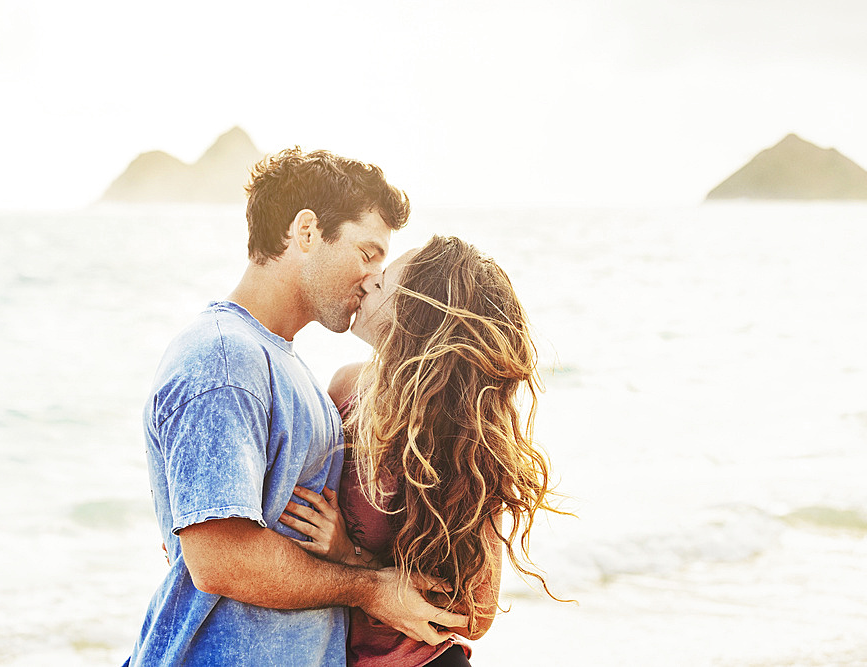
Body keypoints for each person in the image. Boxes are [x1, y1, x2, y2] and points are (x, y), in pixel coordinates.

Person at [124, 149, 467, 666]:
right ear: (306, 232)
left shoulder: (282, 363)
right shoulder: (224, 358)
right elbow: (220, 559)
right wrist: (370, 588)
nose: (374, 278)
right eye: (368, 252)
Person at [279, 235, 565, 666]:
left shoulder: (460, 443)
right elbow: (291, 501)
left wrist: (352, 557)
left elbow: (476, 615)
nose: (371, 279)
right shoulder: (346, 390)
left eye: (386, 281)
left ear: (417, 316)